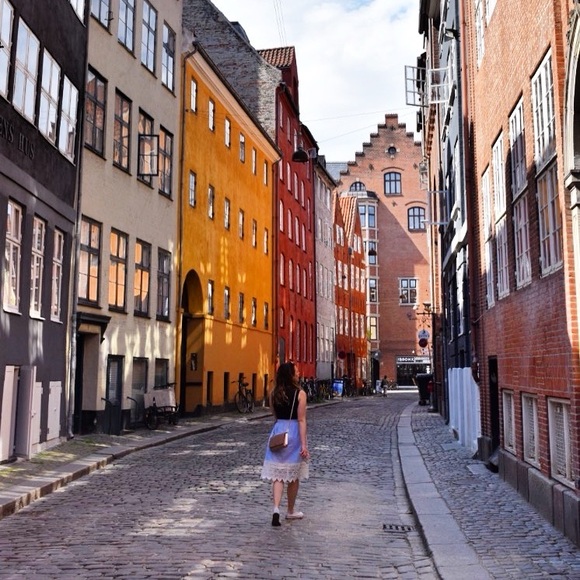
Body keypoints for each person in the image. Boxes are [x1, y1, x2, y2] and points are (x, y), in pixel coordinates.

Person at [261, 361, 310, 526]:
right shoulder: (300, 394)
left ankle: (276, 508)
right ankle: (290, 510)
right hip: (293, 432)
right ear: (291, 375)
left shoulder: (273, 393)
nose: (298, 373)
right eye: (296, 371)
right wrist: (304, 445)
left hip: (278, 433)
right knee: (294, 475)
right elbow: (301, 420)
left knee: (277, 475)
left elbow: (274, 415)